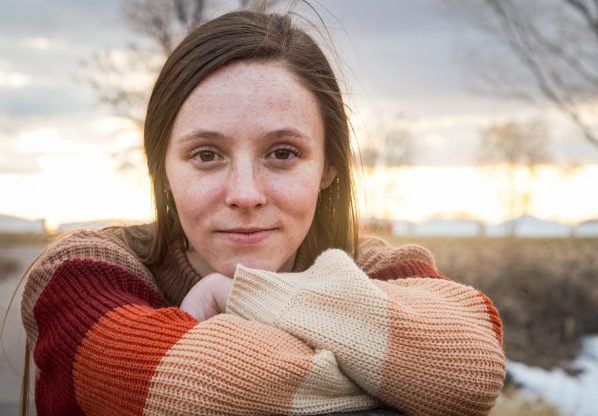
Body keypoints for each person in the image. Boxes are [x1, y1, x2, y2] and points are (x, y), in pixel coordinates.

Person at [20, 7, 505, 416]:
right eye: (206, 155)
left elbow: (474, 370)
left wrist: (248, 296)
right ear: (163, 168)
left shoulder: (376, 268)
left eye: (283, 153)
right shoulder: (84, 274)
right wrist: (393, 367)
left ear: (328, 167)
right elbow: (198, 389)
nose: (246, 194)